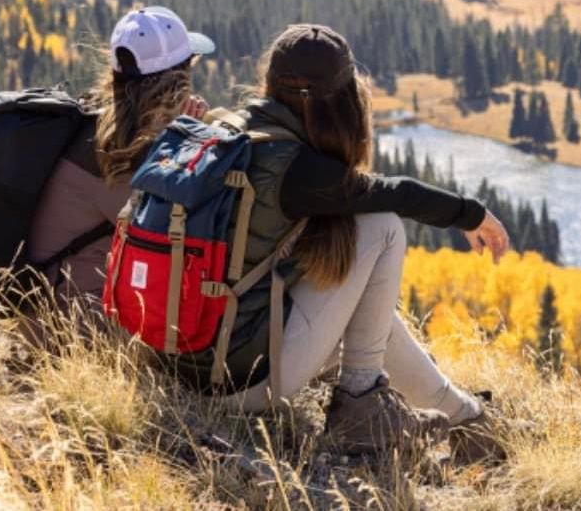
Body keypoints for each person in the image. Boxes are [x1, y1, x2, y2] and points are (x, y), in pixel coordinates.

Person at [178, 23, 511, 457]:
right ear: (342, 98)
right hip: (237, 384)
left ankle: (466, 419)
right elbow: (395, 194)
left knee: (361, 308)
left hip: (179, 365)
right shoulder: (291, 167)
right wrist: (473, 214)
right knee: (382, 227)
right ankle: (362, 407)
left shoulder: (230, 130)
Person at [27, 5, 214, 299]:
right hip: (72, 324)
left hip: (47, 306)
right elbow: (179, 236)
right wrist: (189, 138)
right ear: (177, 79)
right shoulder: (121, 151)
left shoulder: (100, 124)